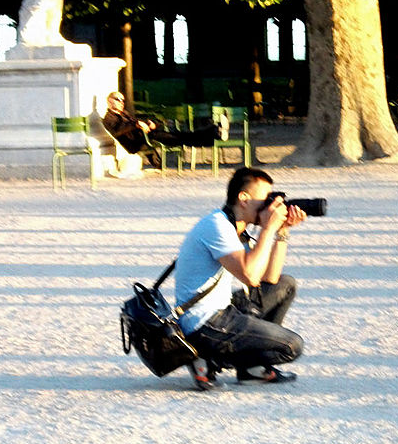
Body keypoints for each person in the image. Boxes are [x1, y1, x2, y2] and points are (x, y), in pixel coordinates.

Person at [175, 167, 306, 390]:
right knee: (291, 346)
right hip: (204, 323)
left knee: (286, 285)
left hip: (221, 310)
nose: (270, 206)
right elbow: (251, 276)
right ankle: (205, 357)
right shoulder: (216, 225)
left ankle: (251, 370)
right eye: (266, 200)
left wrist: (281, 231)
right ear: (243, 199)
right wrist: (267, 228)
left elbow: (269, 278)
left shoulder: (237, 227)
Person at [102, 91, 228, 166]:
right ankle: (214, 132)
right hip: (138, 141)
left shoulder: (124, 113)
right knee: (180, 137)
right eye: (118, 99)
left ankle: (214, 133)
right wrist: (137, 125)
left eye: (123, 100)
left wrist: (151, 123)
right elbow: (118, 130)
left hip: (148, 135)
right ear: (109, 101)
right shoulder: (109, 118)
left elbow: (137, 122)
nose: (122, 102)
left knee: (181, 136)